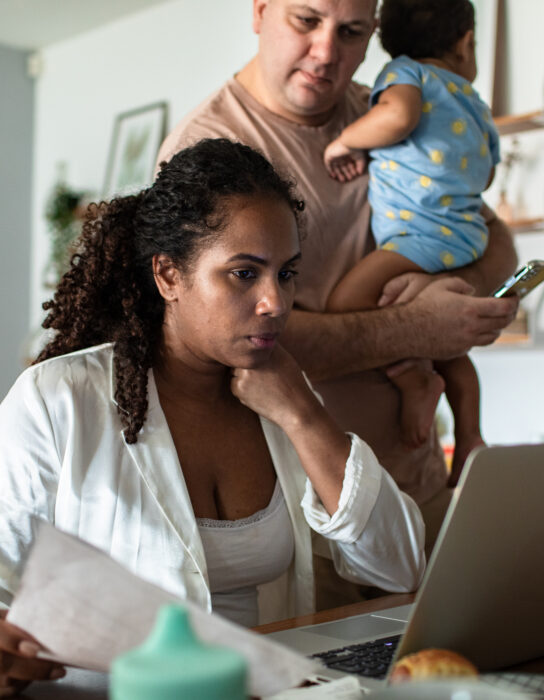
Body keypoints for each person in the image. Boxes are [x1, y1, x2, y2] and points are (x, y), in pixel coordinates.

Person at [0, 139, 426, 695]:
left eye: (287, 273)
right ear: (169, 276)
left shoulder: (284, 401)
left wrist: (303, 416)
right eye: (244, 274)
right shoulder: (58, 399)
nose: (275, 302)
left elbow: (399, 567)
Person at [156, 0, 518, 599]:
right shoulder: (209, 146)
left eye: (351, 32)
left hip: (418, 482)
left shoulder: (391, 107)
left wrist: (456, 300)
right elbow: (244, 341)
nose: (328, 54)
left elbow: (489, 234)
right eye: (306, 21)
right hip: (307, 515)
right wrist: (419, 330)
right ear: (261, 11)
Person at [322, 0, 494, 483]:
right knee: (450, 343)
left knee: (346, 302)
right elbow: (489, 169)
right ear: (464, 42)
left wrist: (347, 142)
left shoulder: (406, 73)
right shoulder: (472, 101)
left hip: (417, 238)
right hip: (465, 236)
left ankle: (412, 378)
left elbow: (396, 118)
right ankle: (470, 436)